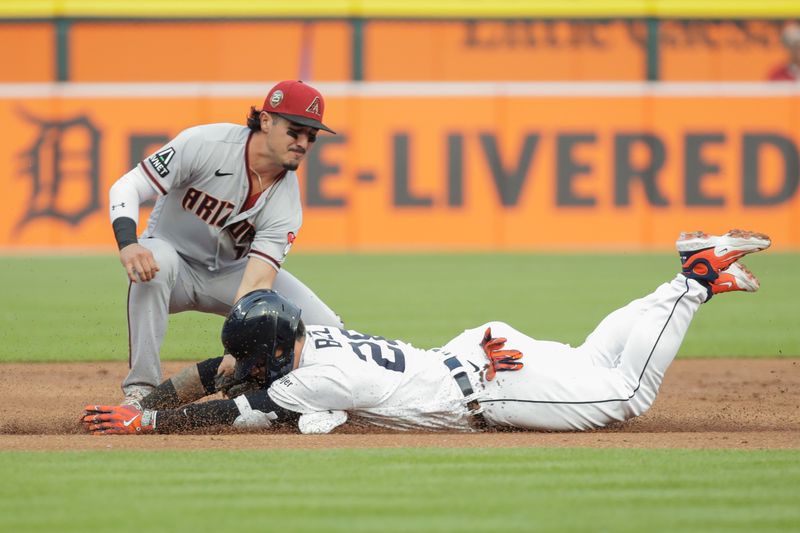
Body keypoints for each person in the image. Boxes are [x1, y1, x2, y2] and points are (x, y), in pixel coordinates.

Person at [82, 229, 771, 435]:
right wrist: (148, 400)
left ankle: (693, 280)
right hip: (477, 352)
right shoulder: (308, 339)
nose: (240, 361)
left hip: (491, 385)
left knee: (625, 392)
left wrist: (147, 424)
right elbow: (218, 370)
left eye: (248, 354)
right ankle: (685, 273)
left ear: (267, 349)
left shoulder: (316, 376)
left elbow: (233, 406)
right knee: (595, 357)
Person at [108, 80, 343, 404]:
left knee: (328, 327)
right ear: (265, 121)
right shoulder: (206, 143)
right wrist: (128, 243)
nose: (303, 142)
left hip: (231, 276)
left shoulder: (286, 201)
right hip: (173, 260)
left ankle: (302, 397)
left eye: (311, 136)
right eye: (294, 131)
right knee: (155, 265)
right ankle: (140, 391)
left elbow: (257, 281)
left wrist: (238, 349)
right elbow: (129, 185)